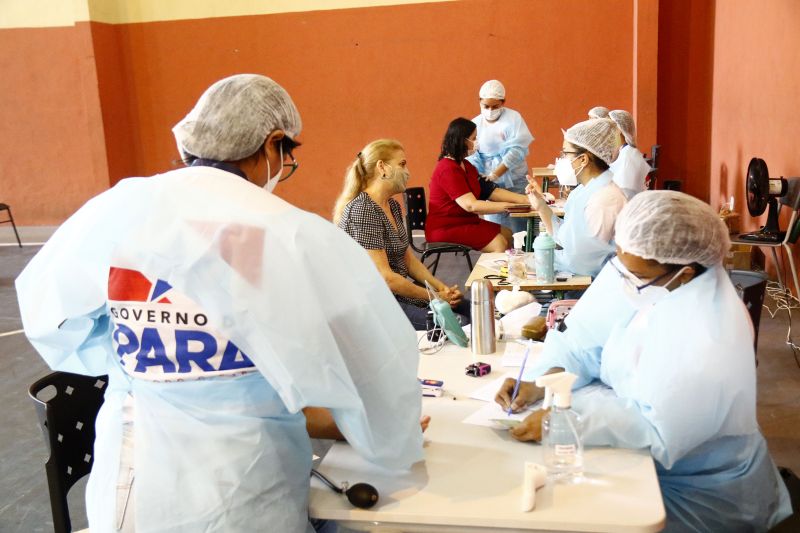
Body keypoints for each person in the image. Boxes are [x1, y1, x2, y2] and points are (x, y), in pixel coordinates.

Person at [16, 74, 425, 533]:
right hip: (243, 490)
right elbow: (375, 369)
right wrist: (385, 428)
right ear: (272, 143)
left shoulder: (118, 206)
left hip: (127, 484)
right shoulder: (287, 231)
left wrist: (147, 363)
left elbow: (50, 318)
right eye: (288, 156)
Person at [495, 191, 792, 531]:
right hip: (646, 465)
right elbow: (584, 338)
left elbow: (658, 429)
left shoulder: (710, 336)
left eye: (634, 274)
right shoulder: (647, 271)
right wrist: (545, 380)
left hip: (701, 492)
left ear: (685, 272)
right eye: (620, 262)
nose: (623, 278)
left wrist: (568, 421)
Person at [333, 138, 469, 330]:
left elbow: (408, 260)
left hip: (395, 296)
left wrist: (442, 289)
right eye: (402, 164)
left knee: (469, 308)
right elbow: (386, 279)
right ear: (382, 167)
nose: (408, 172)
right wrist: (436, 297)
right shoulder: (363, 210)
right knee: (458, 324)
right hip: (374, 304)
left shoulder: (392, 205)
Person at [527, 118, 626, 277]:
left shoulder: (606, 198)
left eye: (565, 153)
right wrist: (541, 206)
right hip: (578, 274)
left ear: (583, 159)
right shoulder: (583, 190)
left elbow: (583, 261)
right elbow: (567, 236)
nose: (561, 160)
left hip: (593, 282)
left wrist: (546, 261)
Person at [426, 118, 536, 252]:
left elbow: (491, 192)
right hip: (446, 227)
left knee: (507, 234)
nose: (476, 142)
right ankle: (496, 266)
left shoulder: (466, 165)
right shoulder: (447, 169)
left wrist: (526, 200)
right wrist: (511, 207)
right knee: (499, 243)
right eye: (474, 138)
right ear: (462, 141)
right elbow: (471, 205)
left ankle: (504, 265)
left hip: (465, 221)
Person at [466, 79, 534, 233]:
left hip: (515, 180)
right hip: (490, 184)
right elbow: (472, 154)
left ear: (503, 102)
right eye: (486, 106)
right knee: (498, 227)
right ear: (479, 101)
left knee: (521, 224)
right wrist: (481, 177)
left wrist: (496, 173)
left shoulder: (513, 118)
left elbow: (516, 151)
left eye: (495, 106)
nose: (490, 110)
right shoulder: (475, 124)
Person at [608, 109, 651, 199]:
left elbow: (624, 194)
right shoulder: (624, 151)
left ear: (619, 129)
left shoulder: (628, 156)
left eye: (609, 126)